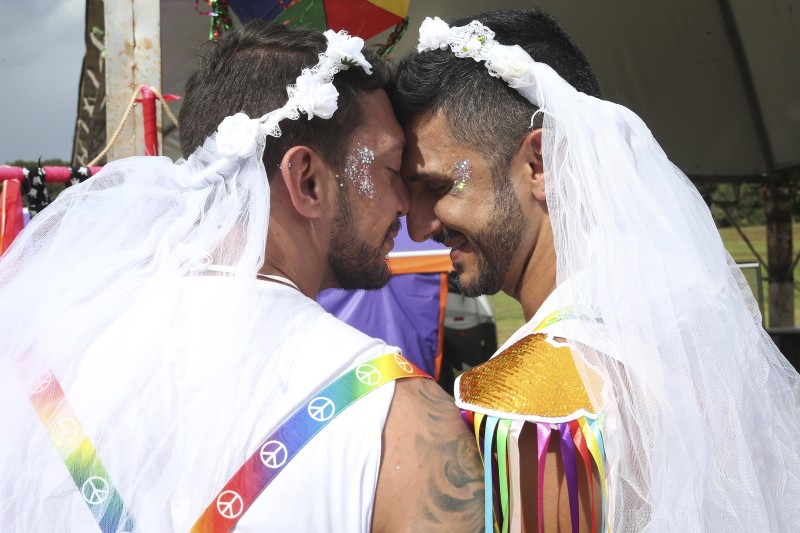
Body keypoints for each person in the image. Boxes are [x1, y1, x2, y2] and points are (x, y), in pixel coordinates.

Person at [0, 22, 484, 532]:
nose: (408, 207)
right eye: (389, 171)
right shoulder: (401, 423)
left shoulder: (41, 365)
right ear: (307, 180)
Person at [391, 9, 800, 533]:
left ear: (539, 164)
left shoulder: (527, 403)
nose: (420, 226)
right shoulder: (694, 349)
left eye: (438, 187)